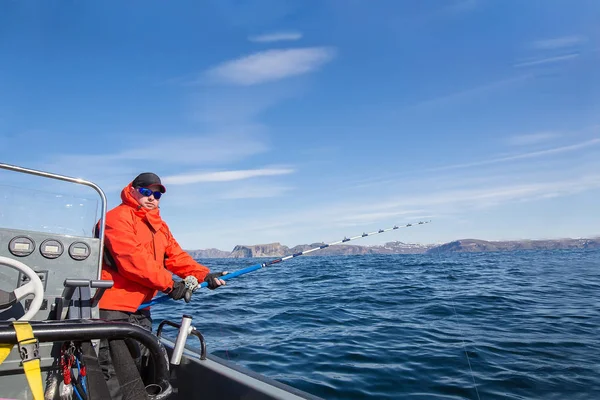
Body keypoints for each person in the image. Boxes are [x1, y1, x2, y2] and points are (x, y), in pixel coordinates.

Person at [96, 172, 227, 399]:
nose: (151, 198)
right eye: (146, 192)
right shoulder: (116, 218)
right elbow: (133, 260)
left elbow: (175, 257)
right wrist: (170, 285)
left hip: (142, 310)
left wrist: (204, 275)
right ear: (133, 189)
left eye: (156, 195)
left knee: (142, 370)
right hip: (112, 309)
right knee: (118, 377)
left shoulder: (159, 225)